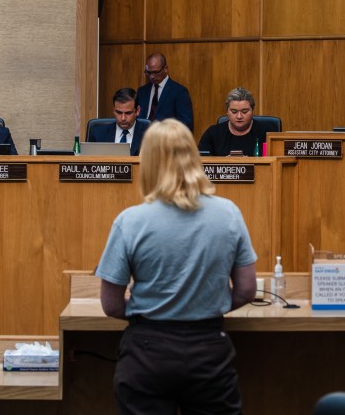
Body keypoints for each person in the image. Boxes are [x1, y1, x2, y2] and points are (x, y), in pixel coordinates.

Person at [96, 118, 257, 415]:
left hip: (147, 351)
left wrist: (153, 308)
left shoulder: (130, 221)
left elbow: (111, 304)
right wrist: (209, 303)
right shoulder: (228, 214)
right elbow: (247, 289)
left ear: (149, 163)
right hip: (208, 349)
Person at [198, 87, 270, 156]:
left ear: (252, 111)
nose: (239, 116)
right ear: (227, 112)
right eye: (234, 111)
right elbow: (200, 162)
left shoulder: (266, 133)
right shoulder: (213, 133)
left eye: (244, 111)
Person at [135, 53, 194, 131]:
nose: (152, 76)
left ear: (165, 69)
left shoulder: (179, 92)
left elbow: (186, 124)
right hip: (141, 139)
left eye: (155, 72)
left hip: (165, 140)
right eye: (148, 72)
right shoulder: (142, 91)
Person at [87, 88, 150, 155]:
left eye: (128, 113)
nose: (123, 118)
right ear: (113, 110)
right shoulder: (98, 134)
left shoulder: (149, 135)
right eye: (119, 112)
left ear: (137, 111)